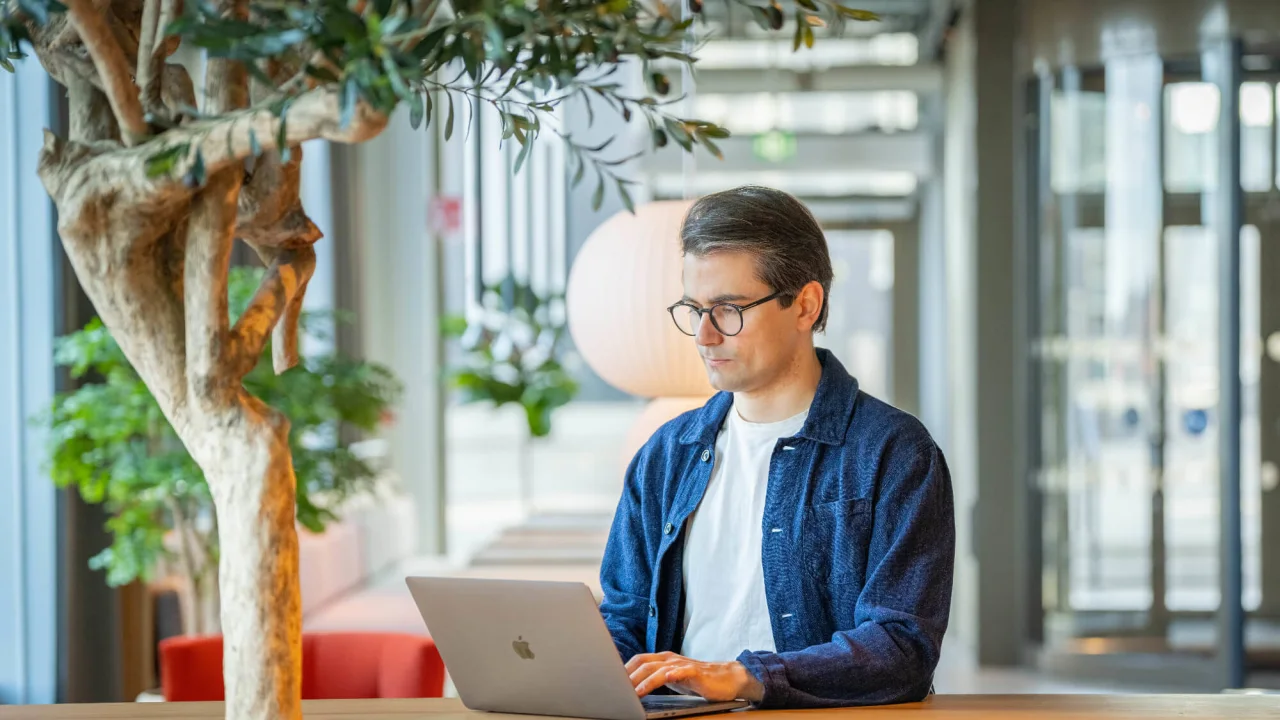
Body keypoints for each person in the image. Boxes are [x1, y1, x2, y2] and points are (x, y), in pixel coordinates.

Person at [598, 185, 955, 709]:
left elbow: (902, 648)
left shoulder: (895, 453)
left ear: (805, 305)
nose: (703, 336)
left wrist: (747, 677)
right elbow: (626, 616)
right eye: (693, 308)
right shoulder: (667, 454)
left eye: (728, 309)